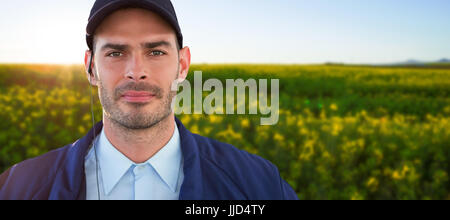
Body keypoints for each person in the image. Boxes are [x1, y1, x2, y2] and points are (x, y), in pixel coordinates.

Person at [0, 0, 298, 200]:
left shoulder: (259, 186)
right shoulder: (17, 188)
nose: (136, 72)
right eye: (116, 53)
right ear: (91, 67)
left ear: (183, 65)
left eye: (156, 52)